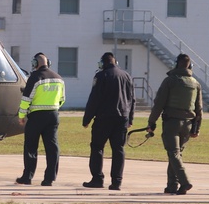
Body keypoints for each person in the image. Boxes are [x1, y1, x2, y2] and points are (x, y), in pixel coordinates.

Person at [146, 54, 202, 195]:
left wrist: (151, 122)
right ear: (190, 66)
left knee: (173, 153)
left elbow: (159, 104)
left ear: (176, 64)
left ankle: (185, 182)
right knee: (176, 154)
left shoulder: (170, 81)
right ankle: (172, 186)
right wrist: (196, 128)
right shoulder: (195, 83)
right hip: (188, 124)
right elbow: (199, 109)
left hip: (172, 122)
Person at [82, 52, 135, 191]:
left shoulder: (101, 76)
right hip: (122, 118)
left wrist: (87, 119)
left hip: (104, 118)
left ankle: (97, 179)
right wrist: (131, 118)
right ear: (115, 62)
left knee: (97, 147)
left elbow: (94, 99)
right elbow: (132, 99)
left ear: (103, 63)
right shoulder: (127, 76)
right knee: (118, 150)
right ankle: (117, 181)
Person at [15, 53, 66, 186]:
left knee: (31, 147)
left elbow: (26, 99)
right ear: (48, 63)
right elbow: (62, 99)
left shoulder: (35, 77)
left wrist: (21, 115)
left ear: (35, 64)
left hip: (37, 116)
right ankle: (49, 178)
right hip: (53, 115)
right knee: (52, 147)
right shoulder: (59, 78)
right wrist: (53, 108)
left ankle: (28, 177)